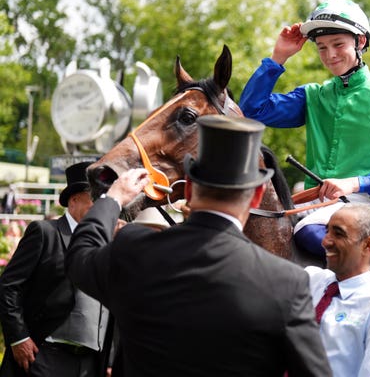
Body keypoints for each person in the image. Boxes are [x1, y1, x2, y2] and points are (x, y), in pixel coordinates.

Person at [65, 115, 331, 377]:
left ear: (189, 188)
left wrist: (112, 199)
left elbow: (80, 255)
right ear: (256, 196)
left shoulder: (134, 250)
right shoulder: (286, 283)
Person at [239, 0, 370, 257]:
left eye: (338, 45)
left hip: (361, 207)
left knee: (308, 234)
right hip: (307, 206)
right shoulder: (313, 96)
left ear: (360, 42)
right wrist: (278, 57)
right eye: (322, 48)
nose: (330, 55)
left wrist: (355, 183)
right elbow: (251, 111)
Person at [0, 162, 110, 377]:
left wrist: (110, 357)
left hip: (91, 363)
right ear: (73, 199)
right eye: (95, 199)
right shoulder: (45, 232)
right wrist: (18, 337)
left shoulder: (106, 241)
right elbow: (8, 286)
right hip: (46, 357)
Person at [306, 203, 370, 376]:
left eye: (338, 234)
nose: (325, 241)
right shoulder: (309, 279)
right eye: (326, 231)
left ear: (368, 245)